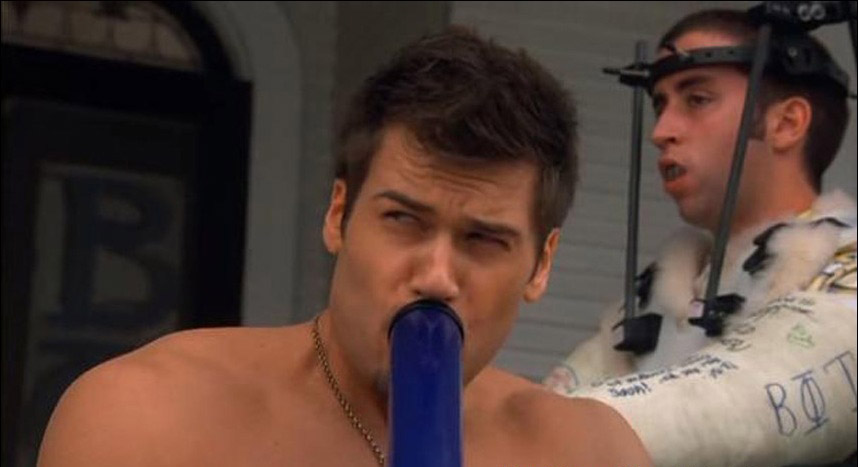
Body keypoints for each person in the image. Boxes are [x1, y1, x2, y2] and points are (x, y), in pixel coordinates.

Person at [37, 28, 652, 467]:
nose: (436, 275)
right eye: (403, 220)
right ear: (339, 216)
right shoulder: (148, 414)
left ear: (541, 264)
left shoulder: (593, 453)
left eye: (484, 239)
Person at [544, 8, 856, 467]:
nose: (661, 132)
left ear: (787, 123)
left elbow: (746, 402)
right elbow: (546, 413)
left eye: (697, 99)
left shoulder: (843, 264)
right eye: (660, 105)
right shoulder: (664, 292)